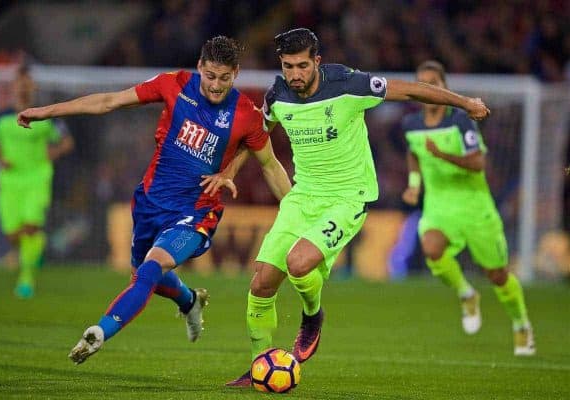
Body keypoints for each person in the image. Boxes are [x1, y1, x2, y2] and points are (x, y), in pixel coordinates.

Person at [226, 28, 491, 386]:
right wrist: (228, 171)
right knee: (260, 284)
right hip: (303, 196)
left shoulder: (348, 84)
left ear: (317, 61)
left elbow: (409, 89)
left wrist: (464, 102)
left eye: (302, 66)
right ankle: (259, 367)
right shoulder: (278, 96)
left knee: (298, 263)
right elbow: (256, 136)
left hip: (348, 197)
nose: (295, 74)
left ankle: (312, 316)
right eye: (288, 66)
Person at [17, 36, 292, 364]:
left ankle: (100, 332)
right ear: (200, 67)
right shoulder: (173, 85)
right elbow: (108, 101)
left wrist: (295, 213)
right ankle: (190, 301)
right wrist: (46, 112)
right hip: (150, 203)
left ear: (236, 73)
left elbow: (270, 165)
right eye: (210, 76)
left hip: (196, 211)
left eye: (225, 78)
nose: (216, 86)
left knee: (150, 269)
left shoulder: (245, 114)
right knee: (148, 277)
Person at [400, 60, 535, 356]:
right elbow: (413, 152)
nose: (427, 89)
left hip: (475, 207)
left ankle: (521, 325)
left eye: (432, 82)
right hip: (439, 205)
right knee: (432, 248)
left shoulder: (460, 120)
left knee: (498, 275)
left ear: (444, 87)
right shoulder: (410, 124)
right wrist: (413, 184)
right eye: (422, 83)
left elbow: (478, 163)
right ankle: (466, 292)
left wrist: (443, 155)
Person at [0, 65, 74, 299]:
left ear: (33, 87)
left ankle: (26, 278)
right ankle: (36, 246)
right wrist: (1, 159)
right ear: (14, 87)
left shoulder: (44, 115)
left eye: (27, 83)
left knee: (30, 226)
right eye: (20, 83)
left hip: (37, 177)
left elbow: (67, 142)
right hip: (10, 180)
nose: (23, 87)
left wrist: (52, 153)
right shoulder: (2, 116)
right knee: (13, 235)